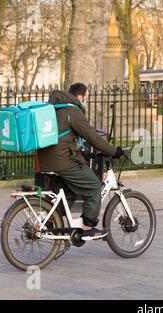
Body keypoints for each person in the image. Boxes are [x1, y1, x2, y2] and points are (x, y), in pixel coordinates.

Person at [37, 83, 124, 240]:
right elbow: (92, 137)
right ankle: (88, 227)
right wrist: (113, 151)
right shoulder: (72, 111)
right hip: (62, 161)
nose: (86, 101)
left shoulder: (55, 108)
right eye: (86, 98)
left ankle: (50, 222)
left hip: (48, 159)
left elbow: (63, 138)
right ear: (80, 96)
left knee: (71, 191)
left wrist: (81, 154)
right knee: (93, 186)